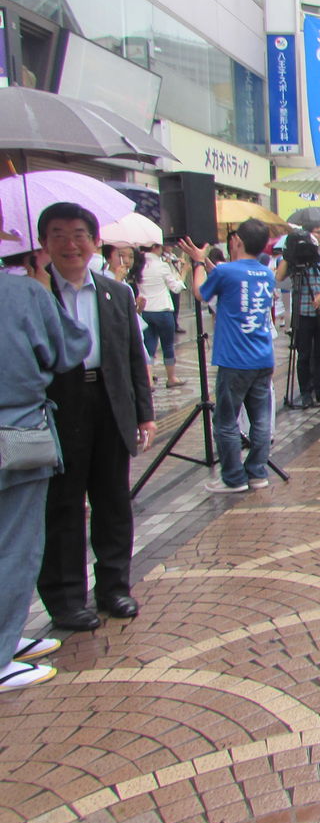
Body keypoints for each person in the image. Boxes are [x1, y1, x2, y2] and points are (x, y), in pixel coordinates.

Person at [36, 203, 156, 631]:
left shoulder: (115, 293)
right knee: (63, 506)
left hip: (108, 401)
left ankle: (114, 588)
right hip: (58, 406)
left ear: (95, 241)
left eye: (79, 235)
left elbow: (132, 356)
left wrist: (144, 414)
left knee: (113, 500)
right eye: (58, 235)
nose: (70, 244)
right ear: (44, 243)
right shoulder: (36, 293)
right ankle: (67, 599)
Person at [0, 198, 91, 688]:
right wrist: (41, 292)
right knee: (16, 541)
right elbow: (68, 348)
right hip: (17, 433)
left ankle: (8, 633)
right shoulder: (21, 293)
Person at [179, 219, 276, 495]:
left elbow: (200, 293)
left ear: (237, 241)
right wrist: (208, 264)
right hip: (262, 357)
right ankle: (257, 472)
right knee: (260, 420)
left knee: (225, 420)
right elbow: (233, 281)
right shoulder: (266, 273)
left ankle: (233, 477)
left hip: (235, 359)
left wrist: (198, 263)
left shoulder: (227, 272)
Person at [276, 223, 320, 409]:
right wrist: (290, 254)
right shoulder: (294, 259)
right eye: (318, 232)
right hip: (302, 313)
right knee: (303, 355)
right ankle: (305, 393)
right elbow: (279, 277)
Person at [135, 243, 187, 388]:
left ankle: (149, 379)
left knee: (149, 346)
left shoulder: (139, 265)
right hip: (163, 310)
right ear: (154, 247)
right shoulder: (161, 266)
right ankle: (171, 378)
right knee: (168, 346)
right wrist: (184, 272)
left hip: (146, 311)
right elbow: (175, 288)